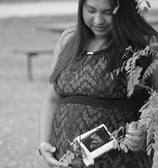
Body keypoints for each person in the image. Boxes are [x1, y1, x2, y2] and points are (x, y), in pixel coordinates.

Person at [39, 0, 158, 167]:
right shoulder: (68, 39)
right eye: (91, 10)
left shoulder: (146, 42)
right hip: (67, 159)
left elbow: (155, 105)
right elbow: (52, 98)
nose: (98, 20)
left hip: (121, 160)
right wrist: (44, 144)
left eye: (107, 12)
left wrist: (144, 133)